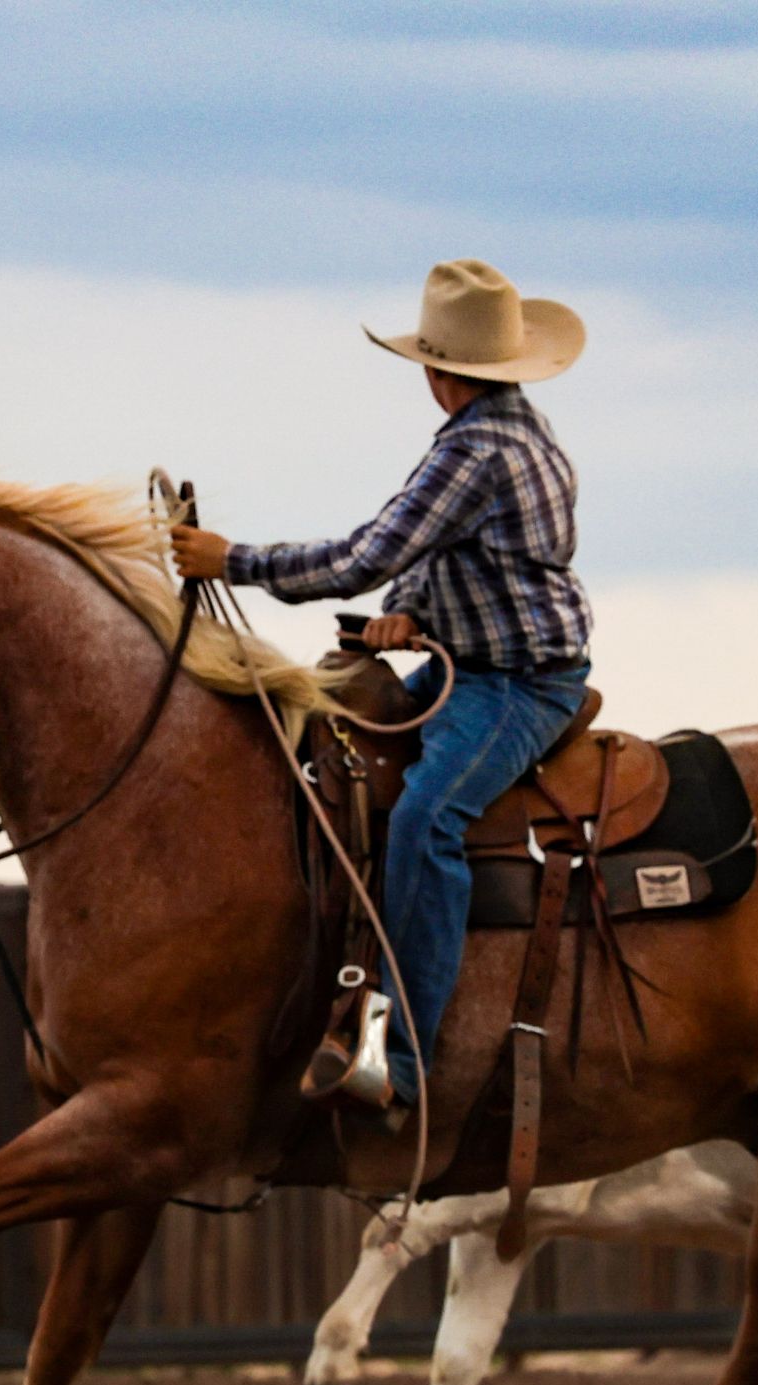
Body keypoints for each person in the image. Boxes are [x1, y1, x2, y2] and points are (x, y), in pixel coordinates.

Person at [171, 258, 592, 1115]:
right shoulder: (515, 429)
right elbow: (449, 550)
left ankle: (402, 1060)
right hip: (479, 658)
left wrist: (233, 561)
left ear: (436, 373)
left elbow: (363, 556)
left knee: (426, 819)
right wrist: (406, 613)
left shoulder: (474, 450)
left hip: (516, 683)